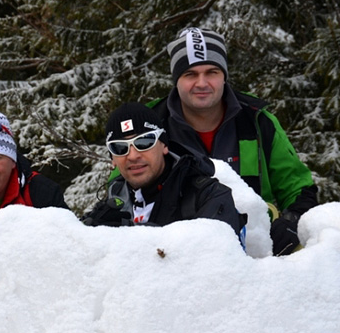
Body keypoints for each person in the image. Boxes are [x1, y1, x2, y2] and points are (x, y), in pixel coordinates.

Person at [150, 27, 318, 255]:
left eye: (212, 72)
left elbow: (298, 187)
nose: (202, 83)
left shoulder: (257, 121)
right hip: (176, 253)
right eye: (190, 74)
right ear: (176, 79)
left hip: (255, 253)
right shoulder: (152, 125)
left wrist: (291, 222)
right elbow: (121, 192)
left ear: (224, 76)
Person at [83, 102, 244, 242]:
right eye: (119, 147)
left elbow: (215, 257)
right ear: (113, 159)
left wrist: (130, 233)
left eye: (144, 142)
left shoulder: (207, 195)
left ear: (164, 145)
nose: (132, 156)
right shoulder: (114, 201)